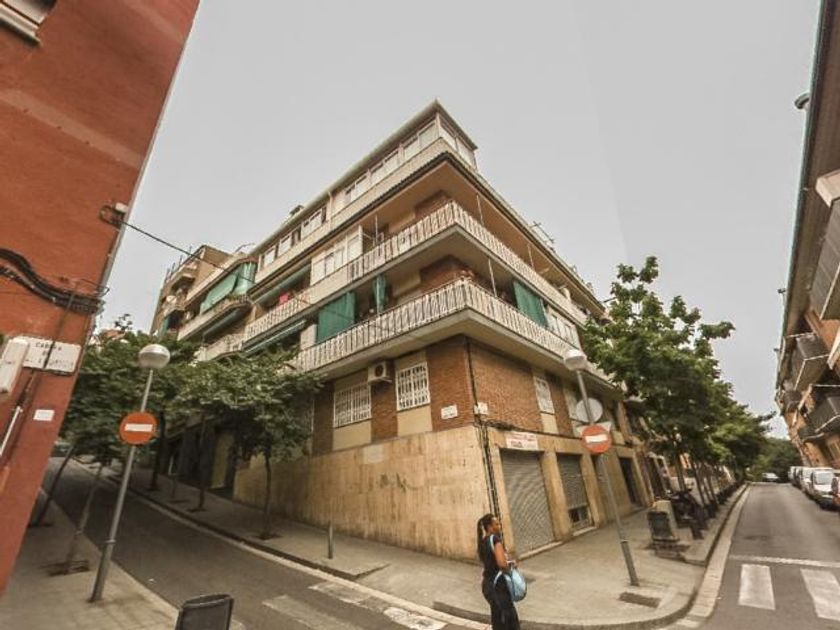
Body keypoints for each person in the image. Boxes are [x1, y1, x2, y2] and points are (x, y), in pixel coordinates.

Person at [477, 513, 520, 630]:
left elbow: (489, 563)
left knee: (497, 616)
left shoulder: (483, 542)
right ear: (489, 527)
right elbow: (501, 564)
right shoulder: (495, 540)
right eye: (496, 524)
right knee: (509, 618)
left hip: (488, 584)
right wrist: (510, 567)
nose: (499, 526)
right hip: (498, 586)